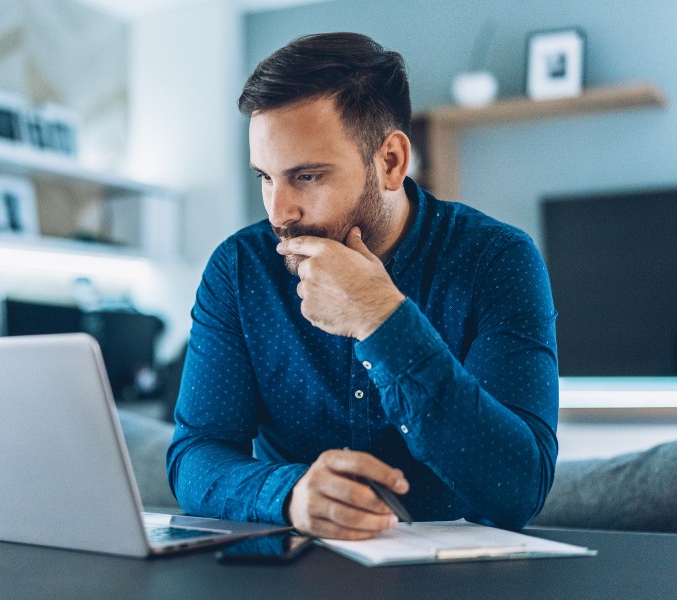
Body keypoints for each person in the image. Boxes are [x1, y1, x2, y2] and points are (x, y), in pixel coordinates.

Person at [166, 32, 558, 540]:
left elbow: (517, 491)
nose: (279, 213)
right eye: (265, 177)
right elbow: (197, 454)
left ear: (391, 161)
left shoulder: (498, 261)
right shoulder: (240, 271)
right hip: (294, 569)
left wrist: (382, 318)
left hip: (456, 576)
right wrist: (289, 493)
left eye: (307, 177)